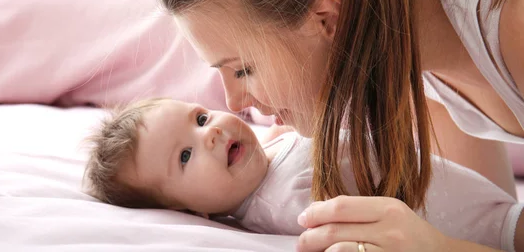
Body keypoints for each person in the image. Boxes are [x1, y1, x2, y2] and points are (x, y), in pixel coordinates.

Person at [155, 0, 524, 250]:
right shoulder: (413, 42)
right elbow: (501, 229)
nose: (234, 101)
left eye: (244, 69)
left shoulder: (512, 9)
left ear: (328, 20)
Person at [83, 98, 522, 251]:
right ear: (187, 211)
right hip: (478, 229)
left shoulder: (265, 155)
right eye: (184, 156)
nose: (212, 133)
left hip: (476, 193)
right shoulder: (285, 205)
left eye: (199, 119)